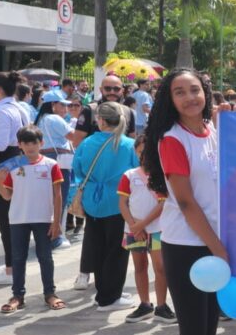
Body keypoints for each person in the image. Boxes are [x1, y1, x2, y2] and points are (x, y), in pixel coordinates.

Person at [142, 68, 236, 335]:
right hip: (187, 246)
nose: (189, 98)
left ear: (206, 92)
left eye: (194, 90)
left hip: (212, 244)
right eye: (179, 92)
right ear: (170, 100)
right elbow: (184, 201)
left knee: (208, 333)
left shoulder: (211, 132)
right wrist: (217, 247)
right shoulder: (172, 139)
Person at [72, 102, 139, 311]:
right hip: (120, 202)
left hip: (92, 200)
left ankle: (104, 292)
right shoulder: (129, 144)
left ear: (100, 120)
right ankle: (110, 297)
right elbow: (138, 172)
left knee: (98, 247)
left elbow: (77, 170)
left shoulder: (87, 142)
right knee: (117, 250)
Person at [0, 125, 65, 313]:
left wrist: (56, 221)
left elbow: (58, 195)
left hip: (43, 218)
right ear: (19, 145)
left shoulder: (51, 164)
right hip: (18, 218)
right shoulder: (13, 165)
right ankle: (17, 295)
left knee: (45, 257)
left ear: (41, 143)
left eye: (33, 142)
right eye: (25, 143)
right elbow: (7, 196)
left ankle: (50, 293)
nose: (30, 146)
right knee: (18, 258)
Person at [118, 135, 173, 323]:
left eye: (148, 152)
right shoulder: (129, 175)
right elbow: (122, 203)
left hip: (157, 229)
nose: (144, 156)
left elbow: (162, 203)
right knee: (140, 267)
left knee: (160, 268)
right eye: (141, 152)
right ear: (135, 152)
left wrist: (141, 225)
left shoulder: (161, 175)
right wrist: (134, 226)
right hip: (133, 230)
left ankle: (162, 306)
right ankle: (145, 305)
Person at [0, 71, 31, 286]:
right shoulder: (19, 107)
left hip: (2, 165)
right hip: (17, 161)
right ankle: (13, 265)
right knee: (12, 216)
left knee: (4, 217)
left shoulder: (1, 111)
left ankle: (11, 269)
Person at [35, 92, 76, 250]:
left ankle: (48, 235)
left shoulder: (41, 119)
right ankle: (55, 237)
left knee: (48, 200)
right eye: (62, 104)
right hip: (59, 161)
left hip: (44, 160)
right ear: (53, 105)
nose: (66, 108)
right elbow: (74, 136)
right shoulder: (54, 119)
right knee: (60, 198)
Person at [70, 74, 136, 146]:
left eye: (116, 89)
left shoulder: (128, 112)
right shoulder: (90, 110)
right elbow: (77, 141)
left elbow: (132, 143)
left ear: (122, 90)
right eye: (108, 88)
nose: (112, 92)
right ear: (101, 90)